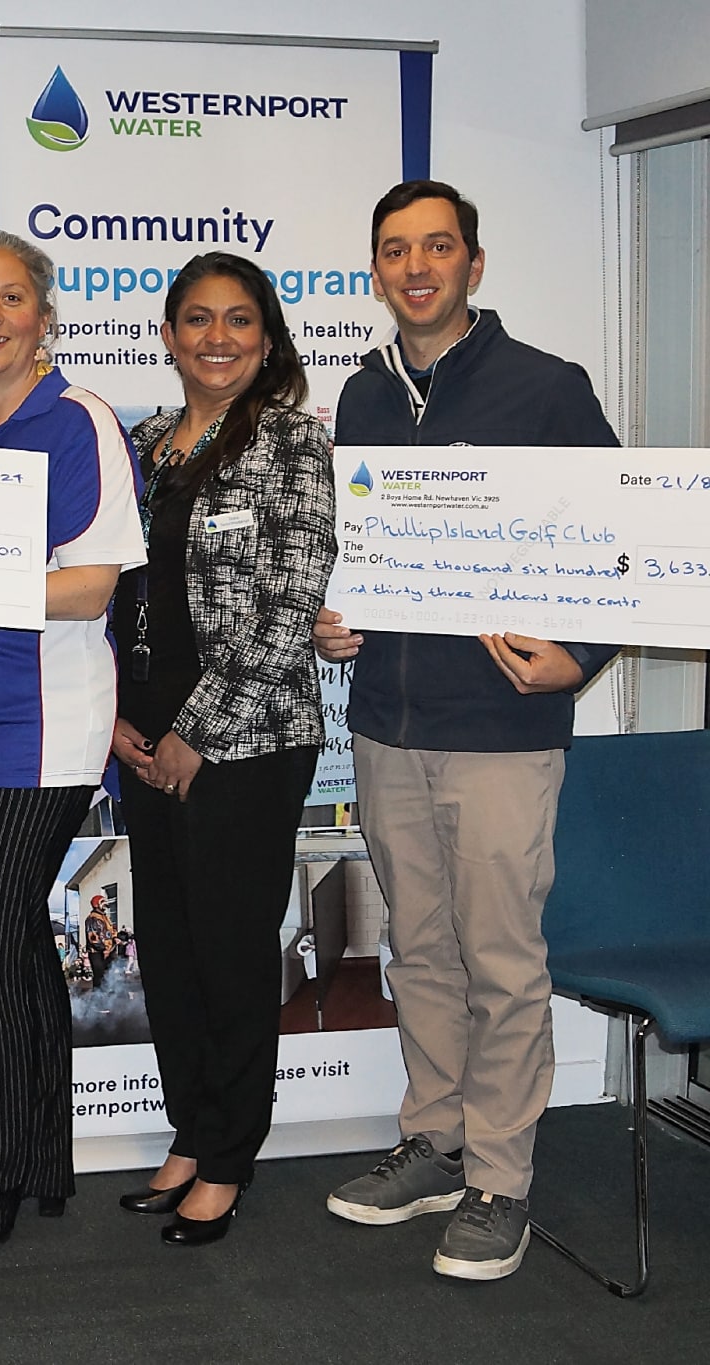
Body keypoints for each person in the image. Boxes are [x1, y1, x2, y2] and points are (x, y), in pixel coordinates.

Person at [314, 180, 620, 1281]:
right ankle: (435, 1143)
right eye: (395, 250)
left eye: (437, 247)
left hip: (500, 728)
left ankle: (500, 1179)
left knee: (500, 959)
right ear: (376, 271)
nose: (416, 267)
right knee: (421, 951)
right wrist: (334, 617)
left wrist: (580, 654)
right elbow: (358, 551)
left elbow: (622, 541)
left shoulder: (546, 387)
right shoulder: (358, 396)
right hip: (387, 727)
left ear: (472, 265)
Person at [0, 230, 145, 1277]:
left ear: (43, 317)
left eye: (11, 298)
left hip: (39, 728)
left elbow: (89, 589)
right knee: (6, 947)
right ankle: (43, 1155)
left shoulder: (79, 420)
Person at [108, 252, 335, 1246]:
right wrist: (116, 717)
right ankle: (190, 1132)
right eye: (196, 319)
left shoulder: (290, 440)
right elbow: (109, 585)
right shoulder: (142, 443)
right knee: (166, 947)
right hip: (141, 734)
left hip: (245, 740)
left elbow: (288, 604)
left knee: (232, 952)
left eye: (238, 320)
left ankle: (230, 1155)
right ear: (167, 335)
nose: (216, 338)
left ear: (266, 337)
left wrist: (194, 735)